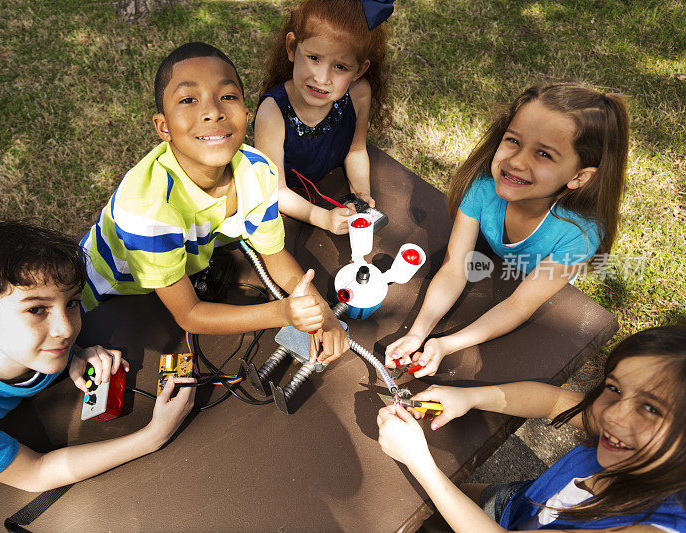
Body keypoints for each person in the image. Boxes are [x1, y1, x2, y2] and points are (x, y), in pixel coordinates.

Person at [80, 42, 348, 363]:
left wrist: (325, 316)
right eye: (189, 99)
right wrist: (284, 313)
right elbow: (190, 314)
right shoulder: (147, 212)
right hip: (107, 300)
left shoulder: (257, 170)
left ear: (246, 115)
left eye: (228, 96)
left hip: (169, 280)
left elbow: (275, 257)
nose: (213, 111)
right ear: (163, 127)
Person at [0, 221, 196, 494]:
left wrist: (73, 354)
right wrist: (153, 436)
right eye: (37, 310)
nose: (65, 329)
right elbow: (35, 474)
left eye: (72, 302)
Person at [386, 83, 630, 378]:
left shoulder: (578, 234)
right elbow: (454, 269)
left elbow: (520, 304)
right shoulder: (482, 189)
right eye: (513, 140)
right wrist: (418, 333)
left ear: (579, 177)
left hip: (542, 277)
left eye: (543, 154)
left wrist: (446, 345)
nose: (515, 161)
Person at [377, 326, 686, 531]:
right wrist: (469, 397)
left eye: (651, 408)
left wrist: (421, 463)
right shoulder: (624, 438)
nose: (614, 416)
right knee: (430, 508)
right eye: (614, 388)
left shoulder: (650, 527)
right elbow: (552, 402)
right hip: (520, 503)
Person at [254, 0, 390, 234]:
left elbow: (355, 151)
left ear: (359, 70)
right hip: (287, 210)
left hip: (332, 188)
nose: (322, 78)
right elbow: (274, 191)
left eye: (340, 66)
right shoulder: (272, 112)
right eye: (314, 58)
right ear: (291, 48)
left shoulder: (358, 94)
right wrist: (323, 218)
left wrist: (361, 196)